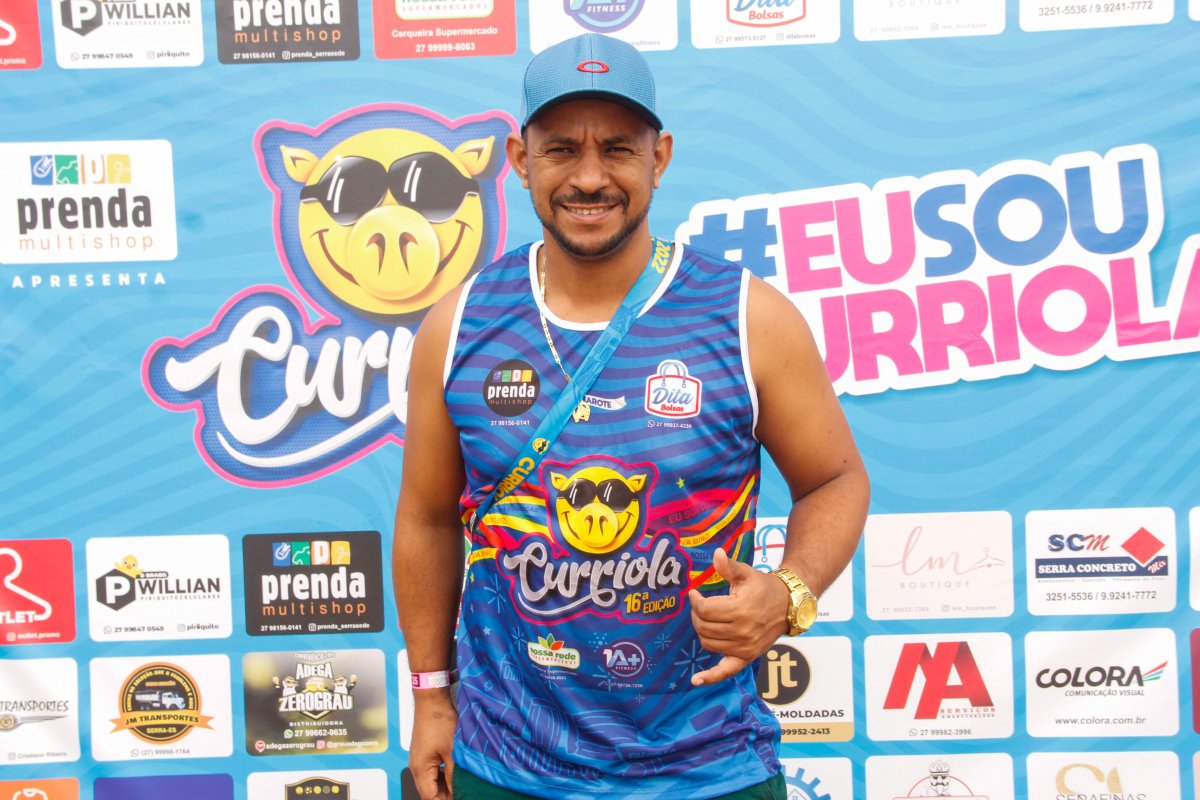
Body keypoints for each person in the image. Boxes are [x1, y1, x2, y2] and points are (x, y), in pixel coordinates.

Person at [392, 32, 869, 800]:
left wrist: (788, 593)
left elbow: (836, 481)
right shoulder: (459, 326)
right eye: (560, 149)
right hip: (506, 766)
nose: (589, 177)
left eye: (617, 148)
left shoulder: (747, 317)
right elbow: (425, 520)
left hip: (710, 769)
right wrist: (430, 697)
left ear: (660, 157)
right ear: (519, 160)